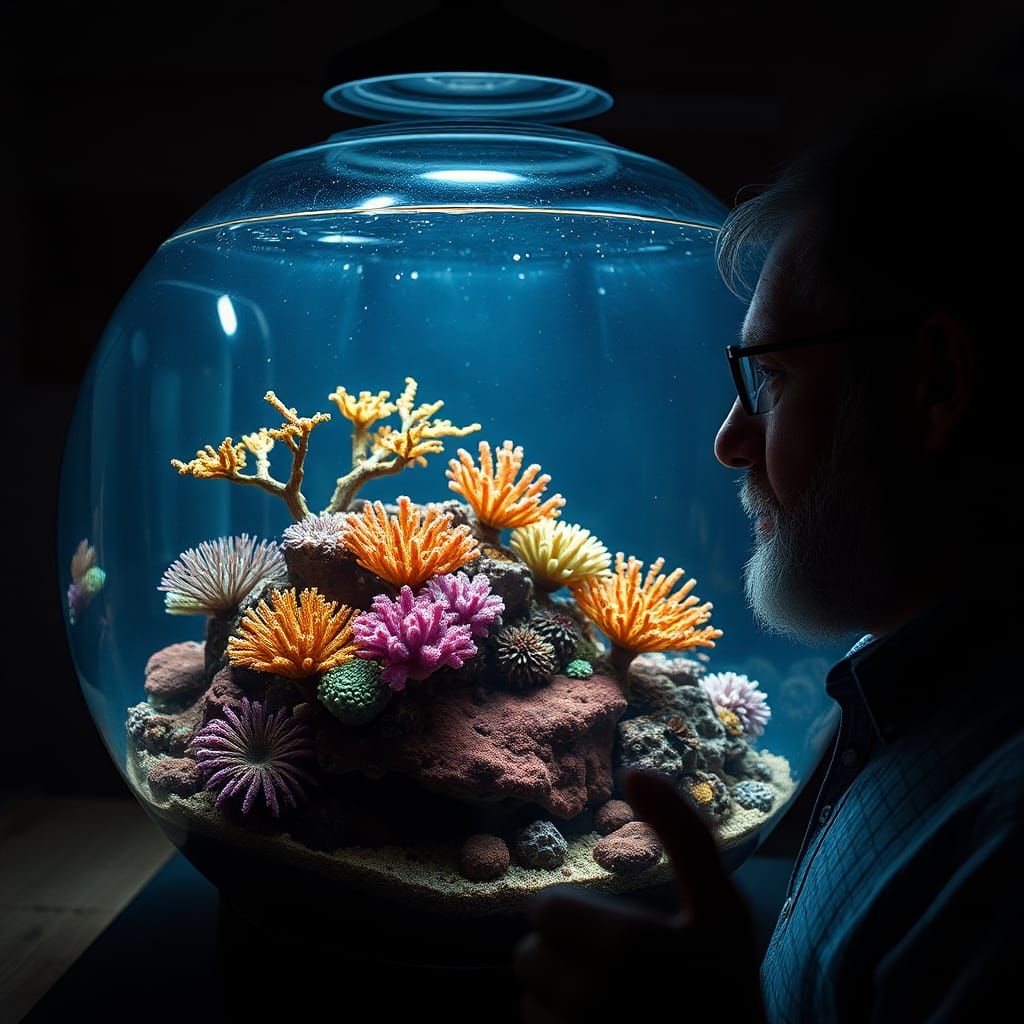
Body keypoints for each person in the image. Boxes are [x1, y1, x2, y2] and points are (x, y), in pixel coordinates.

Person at [514, 88, 1024, 1023]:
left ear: (934, 382)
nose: (729, 441)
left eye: (775, 378)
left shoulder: (997, 842)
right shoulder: (906, 708)